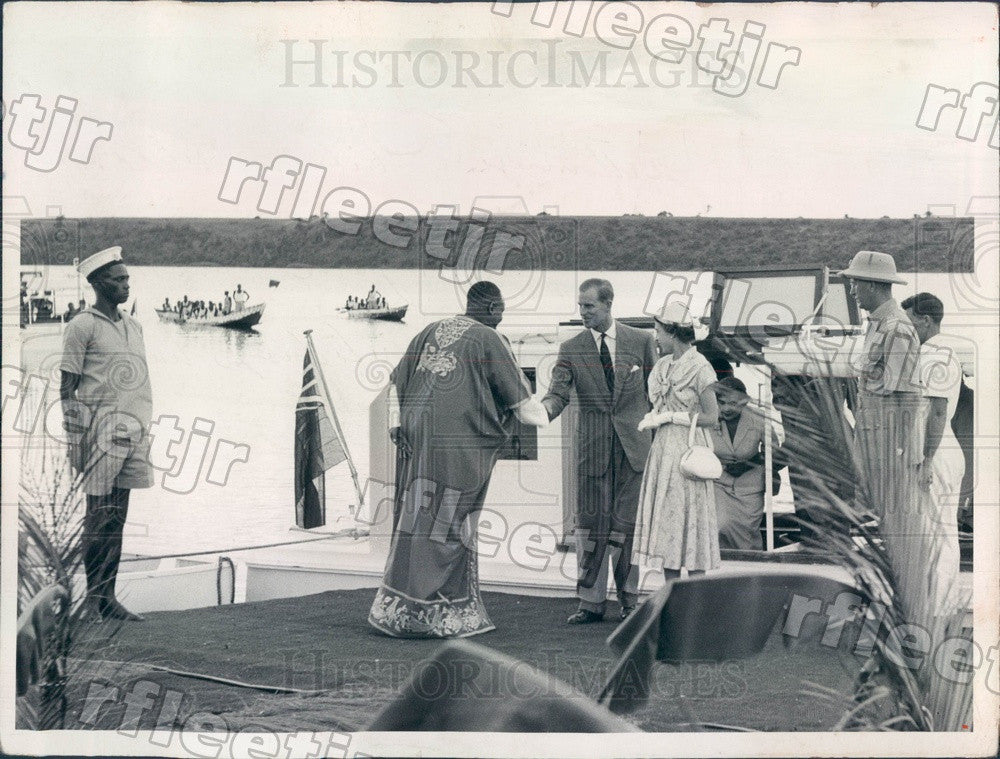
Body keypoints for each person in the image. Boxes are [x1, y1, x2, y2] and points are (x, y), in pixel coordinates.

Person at [368, 281, 547, 638]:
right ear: (495, 309)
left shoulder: (428, 331)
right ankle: (442, 611)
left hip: (418, 442)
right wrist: (555, 401)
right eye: (501, 311)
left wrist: (400, 423)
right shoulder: (488, 339)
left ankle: (399, 608)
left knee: (417, 517)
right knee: (449, 523)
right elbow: (528, 411)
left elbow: (396, 381)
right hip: (456, 447)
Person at [541, 279, 656, 623]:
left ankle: (630, 600)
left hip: (634, 448)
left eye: (589, 306)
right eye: (580, 306)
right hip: (592, 450)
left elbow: (657, 393)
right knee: (591, 526)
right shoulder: (571, 348)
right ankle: (590, 603)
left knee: (628, 526)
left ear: (608, 304)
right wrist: (539, 411)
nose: (583, 313)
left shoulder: (642, 341)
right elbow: (557, 394)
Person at [60, 246, 152, 622]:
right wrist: (76, 444)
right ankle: (92, 601)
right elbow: (67, 390)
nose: (126, 285)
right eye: (117, 280)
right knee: (97, 516)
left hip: (135, 431)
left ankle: (109, 598)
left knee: (119, 517)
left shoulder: (135, 325)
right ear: (98, 284)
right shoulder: (82, 325)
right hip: (99, 434)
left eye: (127, 278)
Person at [632, 301, 721, 583]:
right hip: (663, 452)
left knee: (692, 522)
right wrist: (655, 417)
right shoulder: (660, 366)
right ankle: (672, 597)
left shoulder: (700, 367)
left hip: (690, 450)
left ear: (671, 332)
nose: (655, 338)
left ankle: (697, 602)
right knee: (669, 526)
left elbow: (712, 416)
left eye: (658, 331)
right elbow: (657, 407)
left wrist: (674, 416)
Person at [840, 251, 922, 520]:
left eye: (855, 283)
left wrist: (900, 450)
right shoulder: (878, 324)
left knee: (889, 515)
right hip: (871, 437)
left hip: (886, 443)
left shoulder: (896, 327)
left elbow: (908, 395)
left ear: (872, 284)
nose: (852, 291)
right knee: (868, 514)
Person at [902, 292, 965, 616]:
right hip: (939, 448)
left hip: (937, 450)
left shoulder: (934, 354)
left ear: (925, 320)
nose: (905, 328)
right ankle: (939, 603)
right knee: (935, 530)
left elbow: (937, 411)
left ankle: (939, 607)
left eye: (909, 321)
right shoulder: (937, 352)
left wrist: (926, 459)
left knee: (937, 531)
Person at [709, 377, 782, 551]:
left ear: (745, 401)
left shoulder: (759, 418)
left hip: (751, 486)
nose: (727, 408)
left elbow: (775, 453)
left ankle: (751, 570)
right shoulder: (708, 417)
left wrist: (749, 463)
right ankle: (720, 569)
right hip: (718, 483)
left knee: (748, 534)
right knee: (721, 525)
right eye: (722, 402)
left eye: (734, 403)